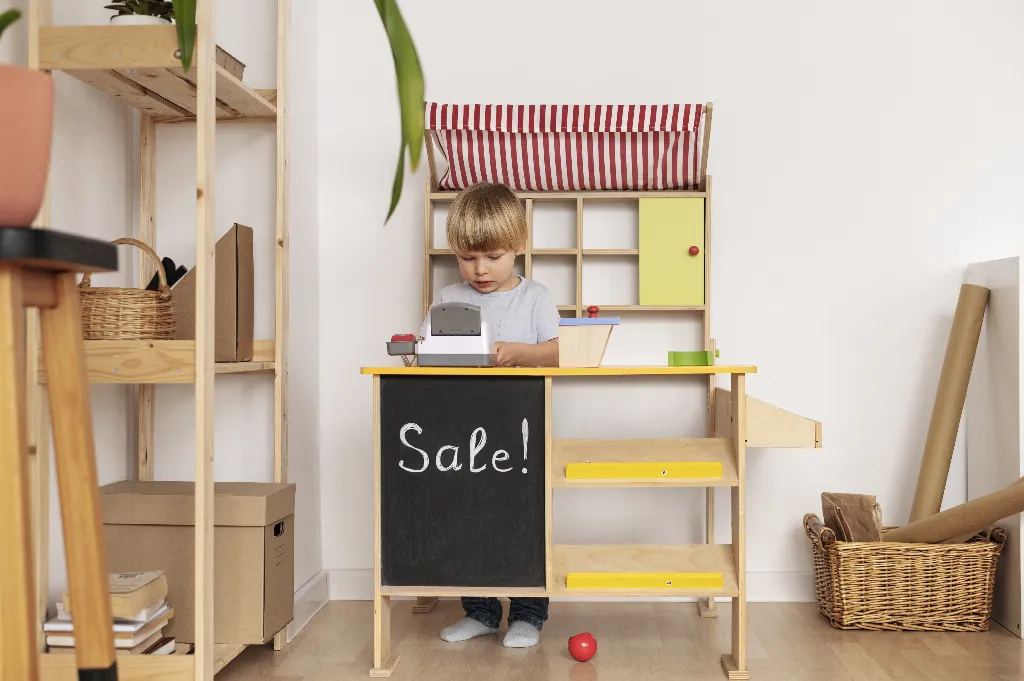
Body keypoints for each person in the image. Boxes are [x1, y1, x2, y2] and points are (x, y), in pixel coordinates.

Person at [425, 182, 558, 647]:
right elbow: (428, 353)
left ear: (518, 246)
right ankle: (479, 611)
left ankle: (527, 614)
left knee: (523, 521)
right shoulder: (447, 297)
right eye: (467, 257)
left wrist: (521, 352)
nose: (479, 269)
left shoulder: (535, 297)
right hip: (465, 434)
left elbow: (560, 352)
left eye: (493, 257)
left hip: (522, 431)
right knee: (467, 519)